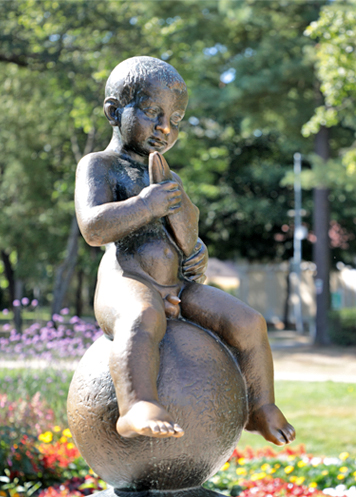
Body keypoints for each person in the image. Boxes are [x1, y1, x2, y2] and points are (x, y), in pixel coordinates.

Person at [74, 56, 295, 446]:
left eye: (175, 119)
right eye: (151, 113)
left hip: (179, 285)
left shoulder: (167, 176)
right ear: (113, 111)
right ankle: (136, 405)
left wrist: (196, 252)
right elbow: (93, 227)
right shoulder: (100, 166)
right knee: (141, 317)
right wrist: (146, 205)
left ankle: (259, 406)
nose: (164, 128)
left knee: (249, 322)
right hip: (127, 280)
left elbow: (184, 230)